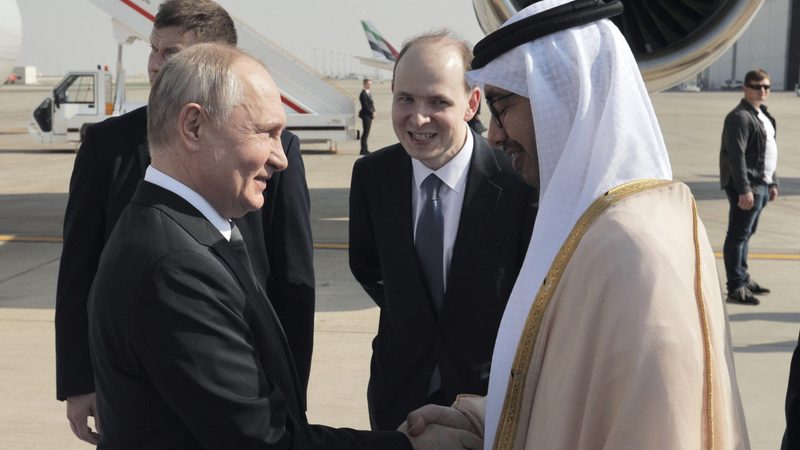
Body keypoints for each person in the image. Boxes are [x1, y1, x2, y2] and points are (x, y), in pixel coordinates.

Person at [89, 42, 481, 450]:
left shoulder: (186, 232)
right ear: (194, 127)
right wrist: (408, 447)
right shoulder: (173, 267)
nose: (282, 158)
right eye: (266, 132)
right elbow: (263, 439)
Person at [403, 1, 750, 448]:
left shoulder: (631, 249)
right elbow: (578, 394)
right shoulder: (599, 226)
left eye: (501, 106)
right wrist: (479, 422)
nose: (493, 135)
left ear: (561, 97)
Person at [55, 0, 314, 444]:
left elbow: (292, 281)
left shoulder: (276, 149)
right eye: (154, 50)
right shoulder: (107, 144)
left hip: (242, 364)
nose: (157, 65)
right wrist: (79, 380)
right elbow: (79, 268)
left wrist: (290, 398)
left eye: (172, 54)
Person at [349, 31, 536, 431]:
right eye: (406, 99)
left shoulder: (518, 183)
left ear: (471, 104)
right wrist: (413, 315)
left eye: (438, 102)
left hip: (487, 402)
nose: (418, 119)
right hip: (397, 395)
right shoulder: (372, 176)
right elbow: (367, 266)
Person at [720, 68, 779, 305]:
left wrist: (772, 181)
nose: (762, 91)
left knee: (747, 234)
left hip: (762, 184)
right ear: (745, 88)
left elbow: (767, 151)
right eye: (757, 86)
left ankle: (743, 278)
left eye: (766, 87)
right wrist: (744, 189)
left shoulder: (762, 115)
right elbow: (737, 156)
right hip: (748, 186)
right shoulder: (739, 117)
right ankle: (735, 286)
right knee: (737, 236)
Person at [359, 78, 376, 155]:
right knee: (365, 133)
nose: (369, 85)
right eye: (368, 84)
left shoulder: (368, 93)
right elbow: (365, 105)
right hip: (366, 115)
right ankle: (363, 149)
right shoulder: (363, 94)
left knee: (367, 132)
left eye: (370, 84)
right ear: (364, 84)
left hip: (369, 115)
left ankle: (365, 149)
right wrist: (371, 112)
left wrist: (374, 111)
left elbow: (371, 104)